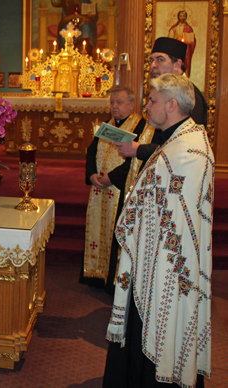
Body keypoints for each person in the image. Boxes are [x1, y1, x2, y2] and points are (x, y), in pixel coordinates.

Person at [103, 74, 213, 388]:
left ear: (172, 105)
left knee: (159, 332)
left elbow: (173, 213)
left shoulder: (188, 151)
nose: (147, 106)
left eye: (152, 100)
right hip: (153, 259)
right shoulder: (179, 140)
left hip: (166, 268)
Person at [81, 85, 154, 294]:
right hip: (99, 188)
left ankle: (113, 281)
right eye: (112, 102)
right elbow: (91, 151)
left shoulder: (142, 128)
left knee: (115, 234)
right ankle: (96, 276)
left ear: (132, 104)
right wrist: (91, 174)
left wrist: (111, 178)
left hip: (121, 191)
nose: (114, 106)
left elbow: (134, 162)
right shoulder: (107, 126)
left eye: (119, 102)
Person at [115, 37, 207, 160]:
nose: (153, 65)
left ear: (177, 65)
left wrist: (139, 150)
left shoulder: (190, 95)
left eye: (160, 60)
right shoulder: (163, 91)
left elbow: (182, 143)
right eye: (152, 60)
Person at [168, 10, 195, 77]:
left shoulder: (188, 28)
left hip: (186, 50)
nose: (182, 17)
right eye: (181, 16)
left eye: (184, 16)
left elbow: (192, 41)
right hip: (176, 49)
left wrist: (188, 41)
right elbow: (170, 39)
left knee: (184, 64)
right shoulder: (174, 28)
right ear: (178, 17)